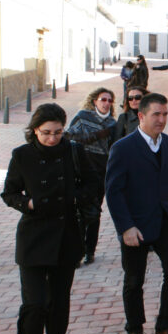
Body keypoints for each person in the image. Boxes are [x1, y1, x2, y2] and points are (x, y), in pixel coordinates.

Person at [0, 104, 97, 334]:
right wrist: (28, 203)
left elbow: (92, 184)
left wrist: (74, 197)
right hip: (33, 237)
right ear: (34, 130)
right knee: (35, 303)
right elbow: (9, 193)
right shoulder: (22, 155)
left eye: (58, 132)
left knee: (58, 303)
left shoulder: (75, 152)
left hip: (66, 236)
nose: (53, 138)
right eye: (46, 133)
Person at [105, 92, 168, 334]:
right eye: (156, 115)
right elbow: (113, 192)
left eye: (165, 114)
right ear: (141, 116)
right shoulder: (123, 148)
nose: (162, 120)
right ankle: (135, 329)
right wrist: (125, 227)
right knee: (134, 280)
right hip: (136, 226)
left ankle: (165, 326)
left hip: (165, 222)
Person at [66, 87, 120, 265]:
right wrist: (97, 135)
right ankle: (77, 250)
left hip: (100, 172)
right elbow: (69, 136)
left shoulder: (113, 123)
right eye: (103, 99)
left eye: (109, 100)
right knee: (79, 212)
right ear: (94, 101)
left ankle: (90, 250)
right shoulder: (83, 116)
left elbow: (114, 148)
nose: (106, 103)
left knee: (94, 211)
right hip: (80, 169)